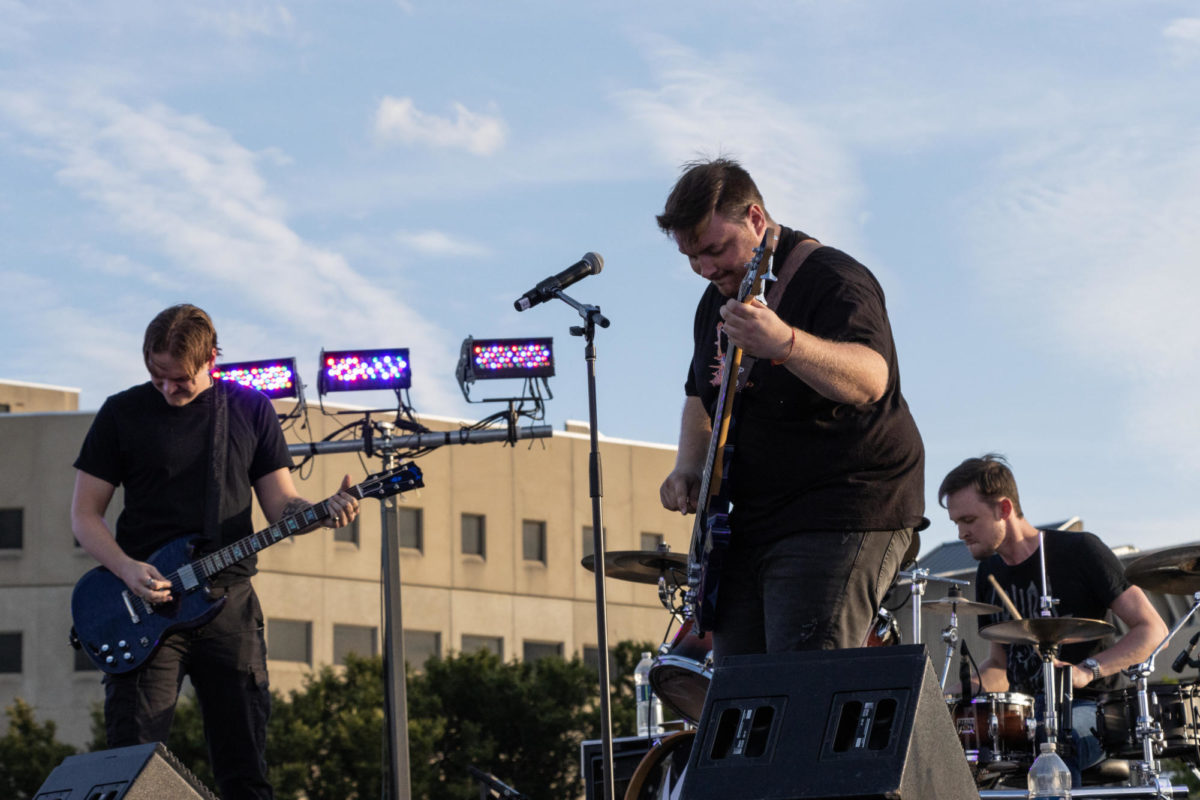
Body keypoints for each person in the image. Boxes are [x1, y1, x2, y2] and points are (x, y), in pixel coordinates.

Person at [70, 304, 360, 800]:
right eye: (156, 375)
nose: (167, 388)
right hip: (146, 606)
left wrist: (318, 511)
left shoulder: (250, 410)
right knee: (132, 768)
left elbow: (281, 505)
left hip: (229, 607)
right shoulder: (122, 412)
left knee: (244, 770)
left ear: (212, 359)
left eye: (179, 379)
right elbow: (83, 516)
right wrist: (125, 568)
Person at [656, 157, 926, 659]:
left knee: (803, 680)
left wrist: (786, 344)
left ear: (756, 219)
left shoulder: (832, 277)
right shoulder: (715, 300)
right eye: (693, 258)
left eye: (715, 249)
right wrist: (688, 465)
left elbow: (872, 377)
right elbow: (701, 392)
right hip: (755, 518)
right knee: (743, 689)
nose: (707, 268)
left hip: (843, 505)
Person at [939, 453, 1167, 776]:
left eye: (969, 520)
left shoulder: (1081, 552)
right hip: (1027, 717)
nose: (961, 533)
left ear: (1004, 509)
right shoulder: (988, 572)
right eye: (956, 523)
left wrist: (1087, 670)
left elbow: (1153, 630)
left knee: (1054, 741)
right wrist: (950, 694)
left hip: (1094, 709)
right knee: (962, 750)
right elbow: (1000, 668)